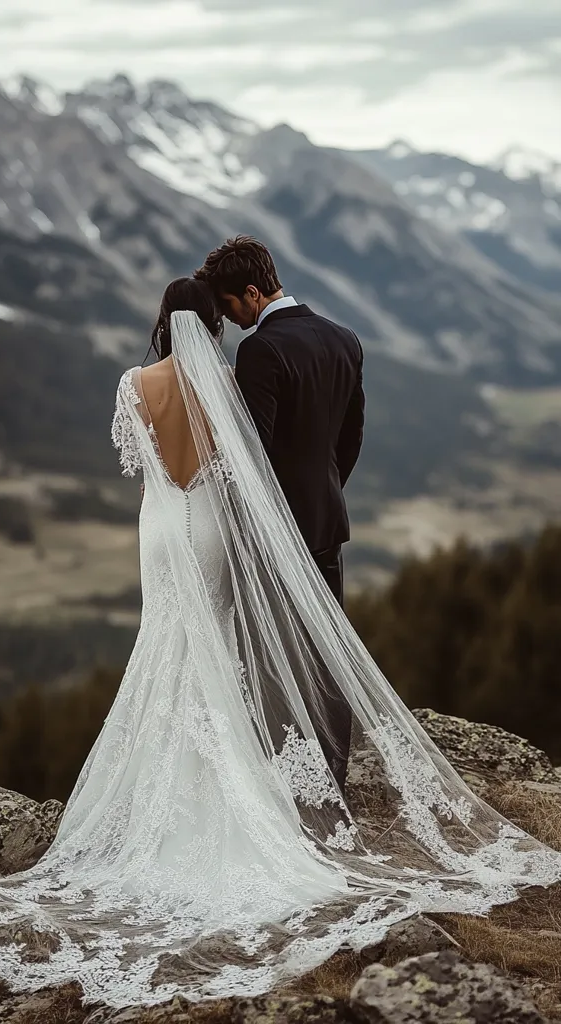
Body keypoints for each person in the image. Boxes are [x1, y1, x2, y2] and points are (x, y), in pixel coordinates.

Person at [0, 277, 561, 1012]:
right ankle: (232, 781)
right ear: (214, 324)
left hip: (162, 530)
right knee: (219, 645)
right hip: (218, 532)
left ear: (164, 320)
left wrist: (166, 504)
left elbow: (143, 475)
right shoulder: (227, 381)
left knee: (165, 641)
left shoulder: (134, 383)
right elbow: (245, 470)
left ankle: (160, 788)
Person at [195, 237, 364, 792]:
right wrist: (325, 489)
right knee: (326, 647)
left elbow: (253, 454)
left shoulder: (262, 351)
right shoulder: (344, 338)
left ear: (251, 292)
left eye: (229, 306)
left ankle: (287, 777)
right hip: (326, 520)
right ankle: (330, 774)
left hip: (277, 529)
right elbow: (350, 438)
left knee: (274, 655)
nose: (229, 319)